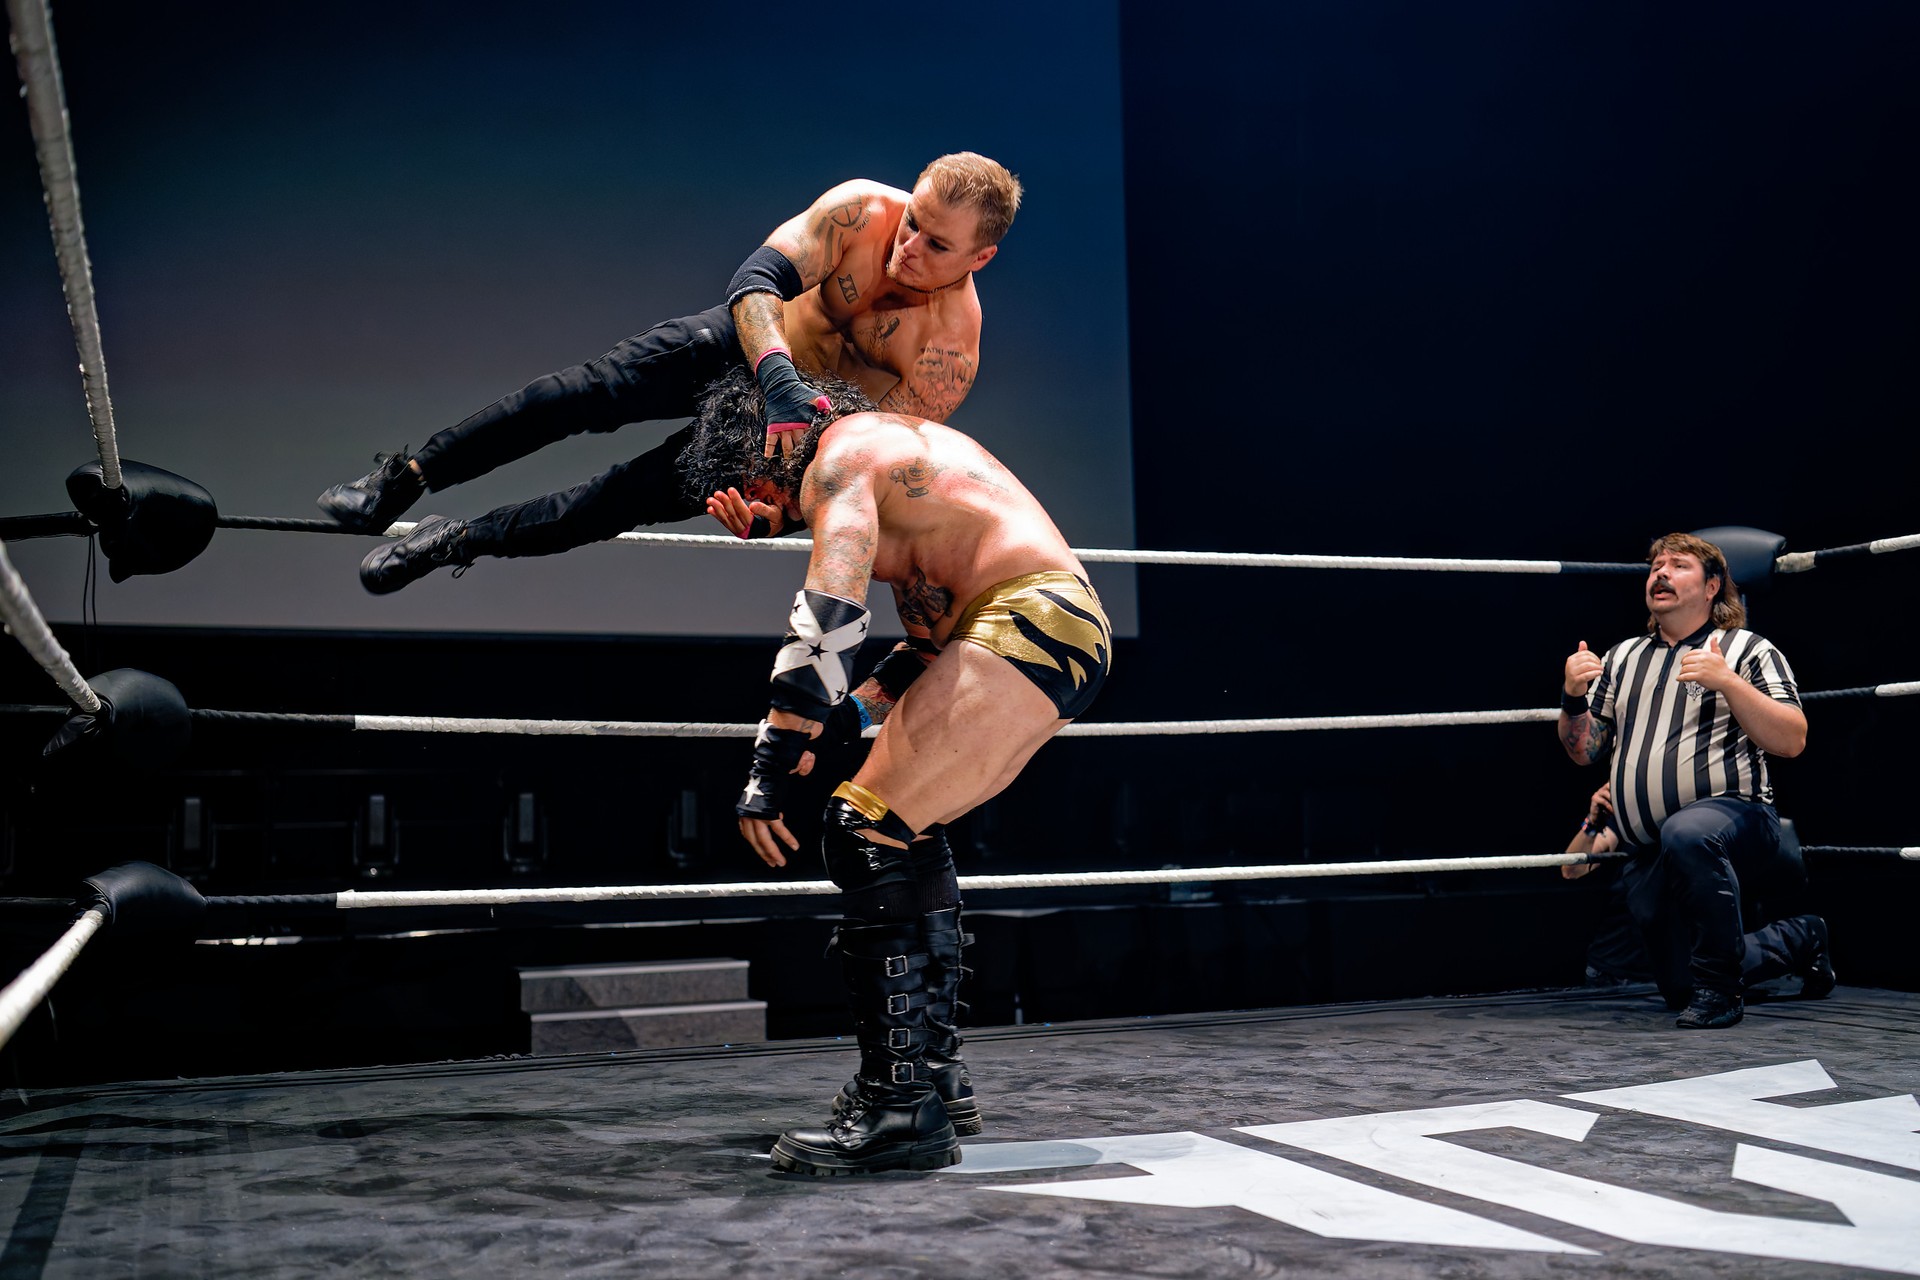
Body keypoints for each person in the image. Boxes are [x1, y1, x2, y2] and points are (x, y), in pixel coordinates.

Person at [681, 367, 1112, 1176]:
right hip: (1050, 628)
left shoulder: (839, 460)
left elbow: (830, 615)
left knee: (861, 829)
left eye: (749, 486)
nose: (758, 507)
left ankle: (898, 1108)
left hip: (1028, 621)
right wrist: (839, 722)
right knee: (904, 827)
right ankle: (934, 1078)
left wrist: (771, 762)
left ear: (766, 451)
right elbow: (923, 649)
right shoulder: (901, 467)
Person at [315, 153, 1022, 592]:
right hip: (756, 343)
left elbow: (863, 469)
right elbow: (755, 281)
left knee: (610, 503)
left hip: (796, 432)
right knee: (575, 396)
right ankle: (402, 481)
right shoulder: (861, 211)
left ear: (980, 258)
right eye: (913, 220)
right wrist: (778, 375)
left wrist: (776, 517)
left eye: (936, 244)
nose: (909, 245)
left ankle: (453, 540)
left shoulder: (947, 356)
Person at [1558, 532, 1834, 1029]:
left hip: (1736, 817)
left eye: (1678, 565)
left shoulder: (1749, 649)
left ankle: (1723, 993)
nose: (1661, 573)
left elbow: (1793, 739)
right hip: (1647, 847)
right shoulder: (1622, 657)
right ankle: (1801, 937)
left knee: (1688, 834)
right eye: (1655, 566)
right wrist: (1572, 697)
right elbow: (1584, 751)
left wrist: (1727, 681)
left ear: (1711, 587)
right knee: (1681, 985)